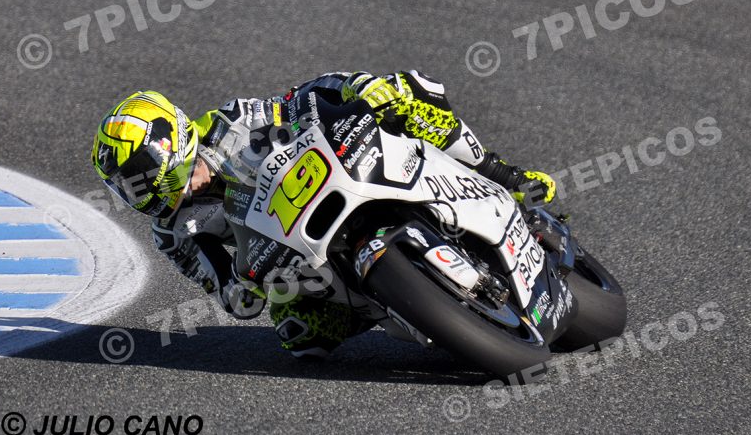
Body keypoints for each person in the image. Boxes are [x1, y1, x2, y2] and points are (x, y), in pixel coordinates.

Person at [91, 70, 556, 358]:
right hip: (295, 254)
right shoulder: (176, 233)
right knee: (301, 338)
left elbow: (298, 102)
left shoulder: (232, 121)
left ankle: (504, 175)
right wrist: (254, 280)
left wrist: (353, 89)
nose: (141, 191)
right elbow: (235, 299)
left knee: (405, 92)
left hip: (339, 178)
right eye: (126, 187)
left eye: (142, 173)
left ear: (169, 140)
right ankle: (410, 305)